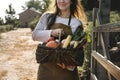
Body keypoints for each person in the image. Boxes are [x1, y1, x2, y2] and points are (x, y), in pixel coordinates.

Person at [32, 0, 87, 80]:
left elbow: (77, 48)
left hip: (67, 73)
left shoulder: (76, 23)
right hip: (46, 71)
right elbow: (35, 35)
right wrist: (52, 33)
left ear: (72, 1)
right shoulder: (47, 17)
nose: (62, 1)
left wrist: (69, 64)